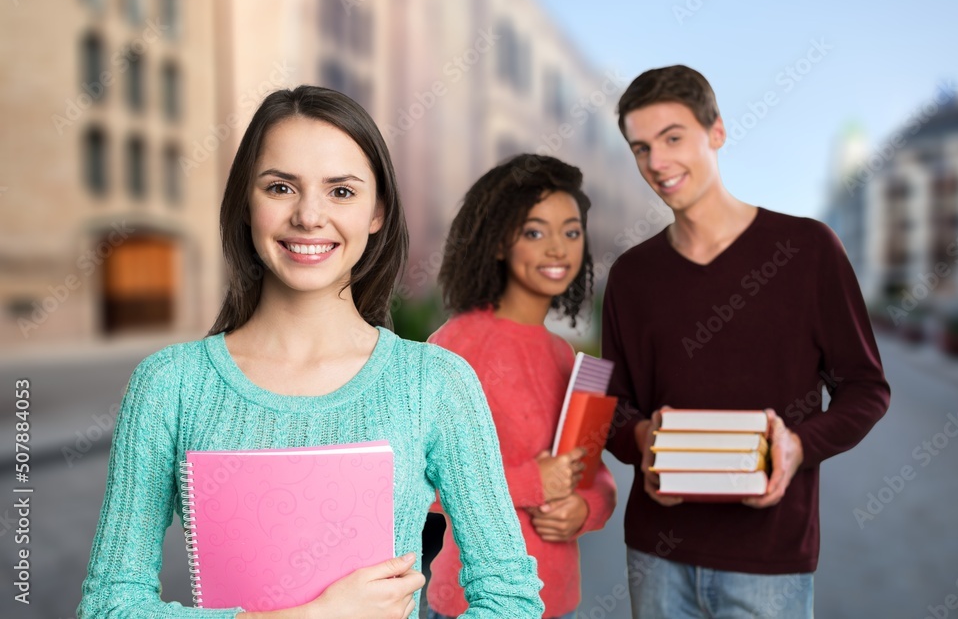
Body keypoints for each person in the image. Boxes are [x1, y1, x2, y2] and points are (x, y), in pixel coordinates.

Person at [78, 86, 544, 618]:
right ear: (245, 205)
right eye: (280, 187)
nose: (308, 216)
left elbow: (510, 599)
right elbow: (109, 607)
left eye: (341, 192)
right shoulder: (170, 385)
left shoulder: (434, 382)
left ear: (377, 212)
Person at [602, 65, 891, 618]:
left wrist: (798, 447)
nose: (657, 163)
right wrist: (641, 438)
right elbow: (608, 405)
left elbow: (866, 388)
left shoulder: (808, 250)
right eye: (641, 148)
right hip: (656, 554)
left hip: (770, 561)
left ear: (717, 132)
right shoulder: (632, 276)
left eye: (672, 138)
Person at [424, 154, 617, 619]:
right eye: (535, 231)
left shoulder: (563, 356)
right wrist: (533, 482)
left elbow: (593, 470)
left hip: (559, 600)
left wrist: (585, 508)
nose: (558, 248)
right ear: (497, 243)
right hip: (475, 603)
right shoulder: (456, 344)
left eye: (571, 232)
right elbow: (420, 482)